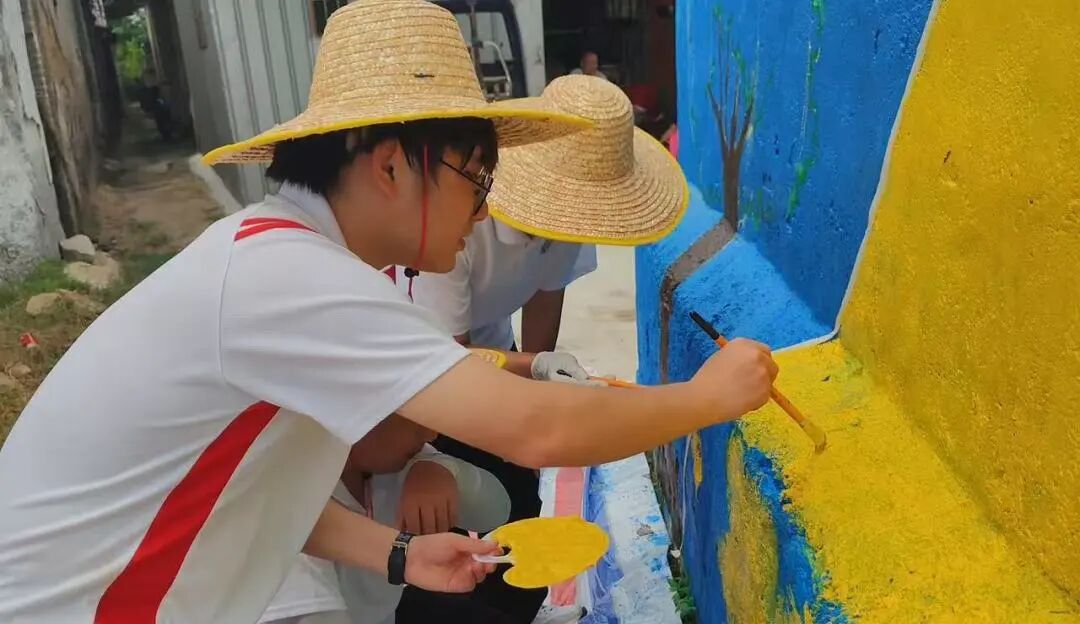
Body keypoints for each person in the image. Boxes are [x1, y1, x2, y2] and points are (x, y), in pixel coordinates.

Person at [0, 2, 778, 622]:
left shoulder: (279, 257)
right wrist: (707, 397)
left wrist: (399, 555)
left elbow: (260, 492)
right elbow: (536, 429)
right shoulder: (294, 278)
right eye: (476, 182)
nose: (483, 211)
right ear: (392, 166)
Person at [396, 75, 691, 624]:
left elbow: (544, 298)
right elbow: (446, 362)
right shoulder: (455, 223)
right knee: (457, 532)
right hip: (425, 379)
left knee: (521, 518)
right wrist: (533, 376)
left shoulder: (569, 220)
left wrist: (538, 390)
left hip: (488, 351)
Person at [260, 412, 513, 624]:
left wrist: (443, 469)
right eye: (414, 414)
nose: (431, 433)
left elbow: (495, 510)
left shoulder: (398, 462)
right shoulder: (281, 504)